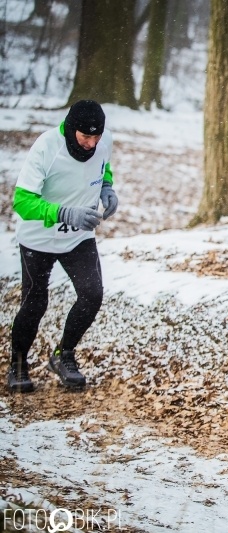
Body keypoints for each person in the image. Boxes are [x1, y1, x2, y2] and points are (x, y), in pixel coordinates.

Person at [7, 100, 118, 393]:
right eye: (85, 137)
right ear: (71, 129)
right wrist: (65, 213)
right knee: (35, 303)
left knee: (92, 294)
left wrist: (107, 188)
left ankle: (63, 354)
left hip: (78, 237)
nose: (91, 143)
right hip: (38, 238)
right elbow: (22, 202)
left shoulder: (102, 142)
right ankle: (18, 364)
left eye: (96, 136)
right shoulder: (46, 148)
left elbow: (103, 167)